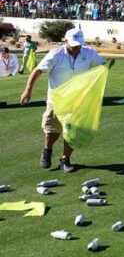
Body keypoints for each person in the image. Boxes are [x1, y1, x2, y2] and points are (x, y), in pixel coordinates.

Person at [20, 29, 107, 172]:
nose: (76, 47)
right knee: (51, 131)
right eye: (73, 44)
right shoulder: (56, 54)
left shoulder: (89, 53)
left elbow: (103, 65)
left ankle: (65, 159)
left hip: (78, 100)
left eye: (78, 44)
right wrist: (27, 90)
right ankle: (47, 150)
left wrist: (107, 67)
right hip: (56, 99)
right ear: (65, 40)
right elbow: (38, 70)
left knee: (72, 132)